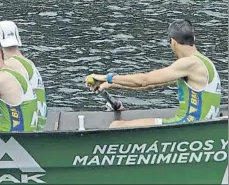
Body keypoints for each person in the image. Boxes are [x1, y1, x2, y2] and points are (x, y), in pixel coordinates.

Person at [86, 19, 221, 128]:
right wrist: (111, 84)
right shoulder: (204, 62)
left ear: (173, 42)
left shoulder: (189, 63)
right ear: (193, 38)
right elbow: (149, 86)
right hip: (200, 123)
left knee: (116, 126)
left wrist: (106, 77)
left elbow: (145, 80)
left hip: (188, 125)